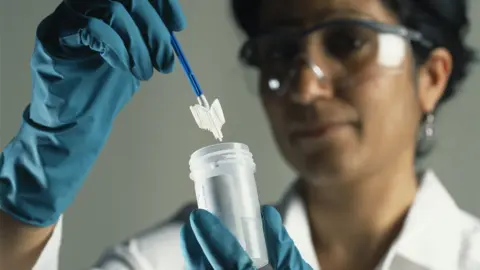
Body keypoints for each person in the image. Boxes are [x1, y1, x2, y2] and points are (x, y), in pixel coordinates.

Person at [1, 0, 479, 269]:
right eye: (279, 50)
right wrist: (26, 202)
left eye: (348, 41)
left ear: (432, 76)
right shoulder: (163, 261)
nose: (306, 85)